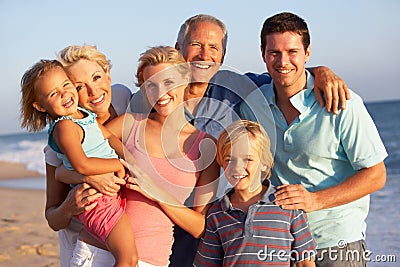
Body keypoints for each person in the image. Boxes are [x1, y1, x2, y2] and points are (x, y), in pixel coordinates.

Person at [241, 12, 387, 266]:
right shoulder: (252, 106)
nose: (283, 61)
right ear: (263, 54)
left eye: (292, 52)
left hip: (337, 243)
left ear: (307, 53)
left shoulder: (343, 103)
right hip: (282, 242)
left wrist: (315, 200)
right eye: (274, 52)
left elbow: (376, 175)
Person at [103, 46, 220, 266]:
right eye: (151, 86)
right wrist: (127, 154)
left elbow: (199, 227)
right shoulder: (129, 125)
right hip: (100, 250)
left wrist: (158, 193)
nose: (160, 93)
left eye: (168, 82)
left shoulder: (205, 146)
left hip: (152, 258)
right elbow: (84, 143)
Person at [19, 59, 138, 267]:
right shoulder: (64, 127)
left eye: (66, 85)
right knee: (128, 259)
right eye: (53, 93)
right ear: (40, 105)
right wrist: (118, 165)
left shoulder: (86, 116)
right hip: (95, 201)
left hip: (108, 196)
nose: (65, 94)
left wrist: (131, 159)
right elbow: (81, 165)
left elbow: (109, 137)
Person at [194, 119, 316, 266]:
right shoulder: (217, 214)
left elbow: (305, 263)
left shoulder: (288, 204)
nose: (237, 168)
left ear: (264, 164)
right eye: (229, 160)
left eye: (248, 159)